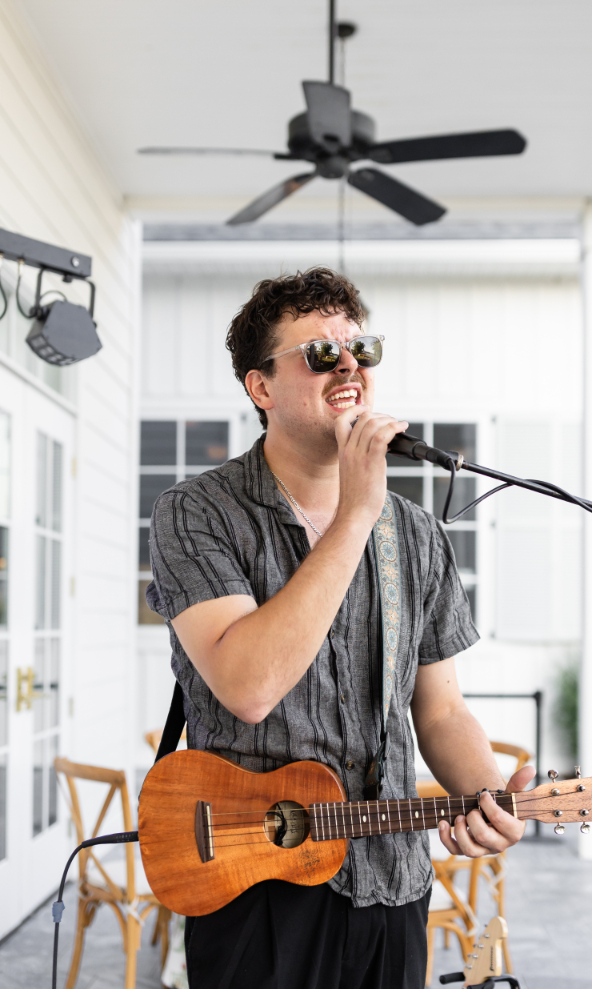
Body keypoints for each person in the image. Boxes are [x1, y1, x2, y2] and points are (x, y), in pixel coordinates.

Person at [147, 267, 532, 989]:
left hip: (391, 879)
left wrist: (489, 797)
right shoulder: (196, 512)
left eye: (363, 348)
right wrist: (356, 513)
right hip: (252, 881)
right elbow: (249, 686)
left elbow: (440, 710)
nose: (351, 364)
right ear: (261, 388)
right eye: (321, 353)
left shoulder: (415, 533)